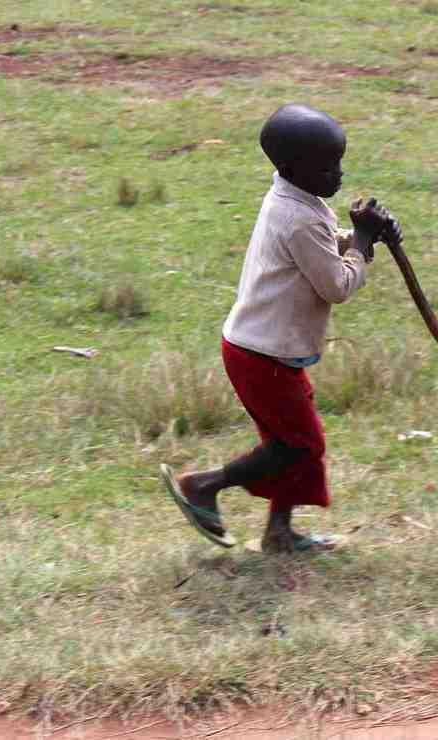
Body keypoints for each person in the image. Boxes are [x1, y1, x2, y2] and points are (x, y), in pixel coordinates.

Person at [160, 103, 401, 554]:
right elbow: (337, 284)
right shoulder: (300, 216)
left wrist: (361, 236)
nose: (339, 175)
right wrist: (363, 243)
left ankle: (279, 533)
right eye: (328, 167)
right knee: (299, 445)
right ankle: (203, 486)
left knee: (288, 442)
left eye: (339, 164)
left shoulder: (293, 199)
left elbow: (322, 248)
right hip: (261, 356)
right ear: (294, 168)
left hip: (264, 350)